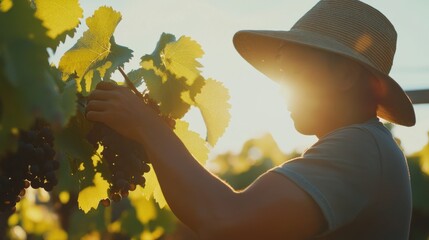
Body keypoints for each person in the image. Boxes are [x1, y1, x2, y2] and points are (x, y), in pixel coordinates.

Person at [86, 0, 415, 239]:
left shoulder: (360, 147)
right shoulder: (365, 148)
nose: (282, 83)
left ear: (344, 73)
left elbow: (226, 220)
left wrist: (147, 125)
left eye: (291, 68)